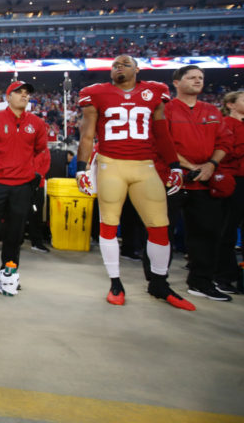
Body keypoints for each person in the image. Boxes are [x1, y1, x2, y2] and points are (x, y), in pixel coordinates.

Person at [75, 54, 194, 311]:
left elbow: (162, 133)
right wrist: (80, 169)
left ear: (137, 70)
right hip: (110, 163)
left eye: (125, 63)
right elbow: (87, 134)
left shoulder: (155, 91)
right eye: (115, 65)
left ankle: (159, 283)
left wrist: (174, 165)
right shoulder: (95, 93)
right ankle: (115, 282)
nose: (119, 67)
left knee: (159, 226)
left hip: (145, 165)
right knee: (109, 224)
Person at [153, 65, 233, 302]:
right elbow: (160, 143)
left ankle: (201, 282)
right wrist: (189, 166)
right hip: (172, 180)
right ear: (177, 83)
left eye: (201, 78)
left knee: (207, 234)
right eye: (192, 78)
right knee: (161, 233)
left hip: (205, 182)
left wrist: (211, 166)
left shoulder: (212, 111)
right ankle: (158, 281)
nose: (198, 81)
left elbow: (224, 142)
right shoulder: (164, 109)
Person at [0, 81, 50, 292]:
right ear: (8, 97)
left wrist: (36, 175)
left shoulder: (37, 123)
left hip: (22, 186)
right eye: (19, 93)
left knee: (15, 234)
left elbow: (42, 151)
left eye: (26, 93)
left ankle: (8, 275)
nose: (24, 96)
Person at [215, 91, 244, 294]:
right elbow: (226, 151)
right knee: (227, 229)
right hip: (234, 181)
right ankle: (223, 275)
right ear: (231, 105)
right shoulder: (225, 123)